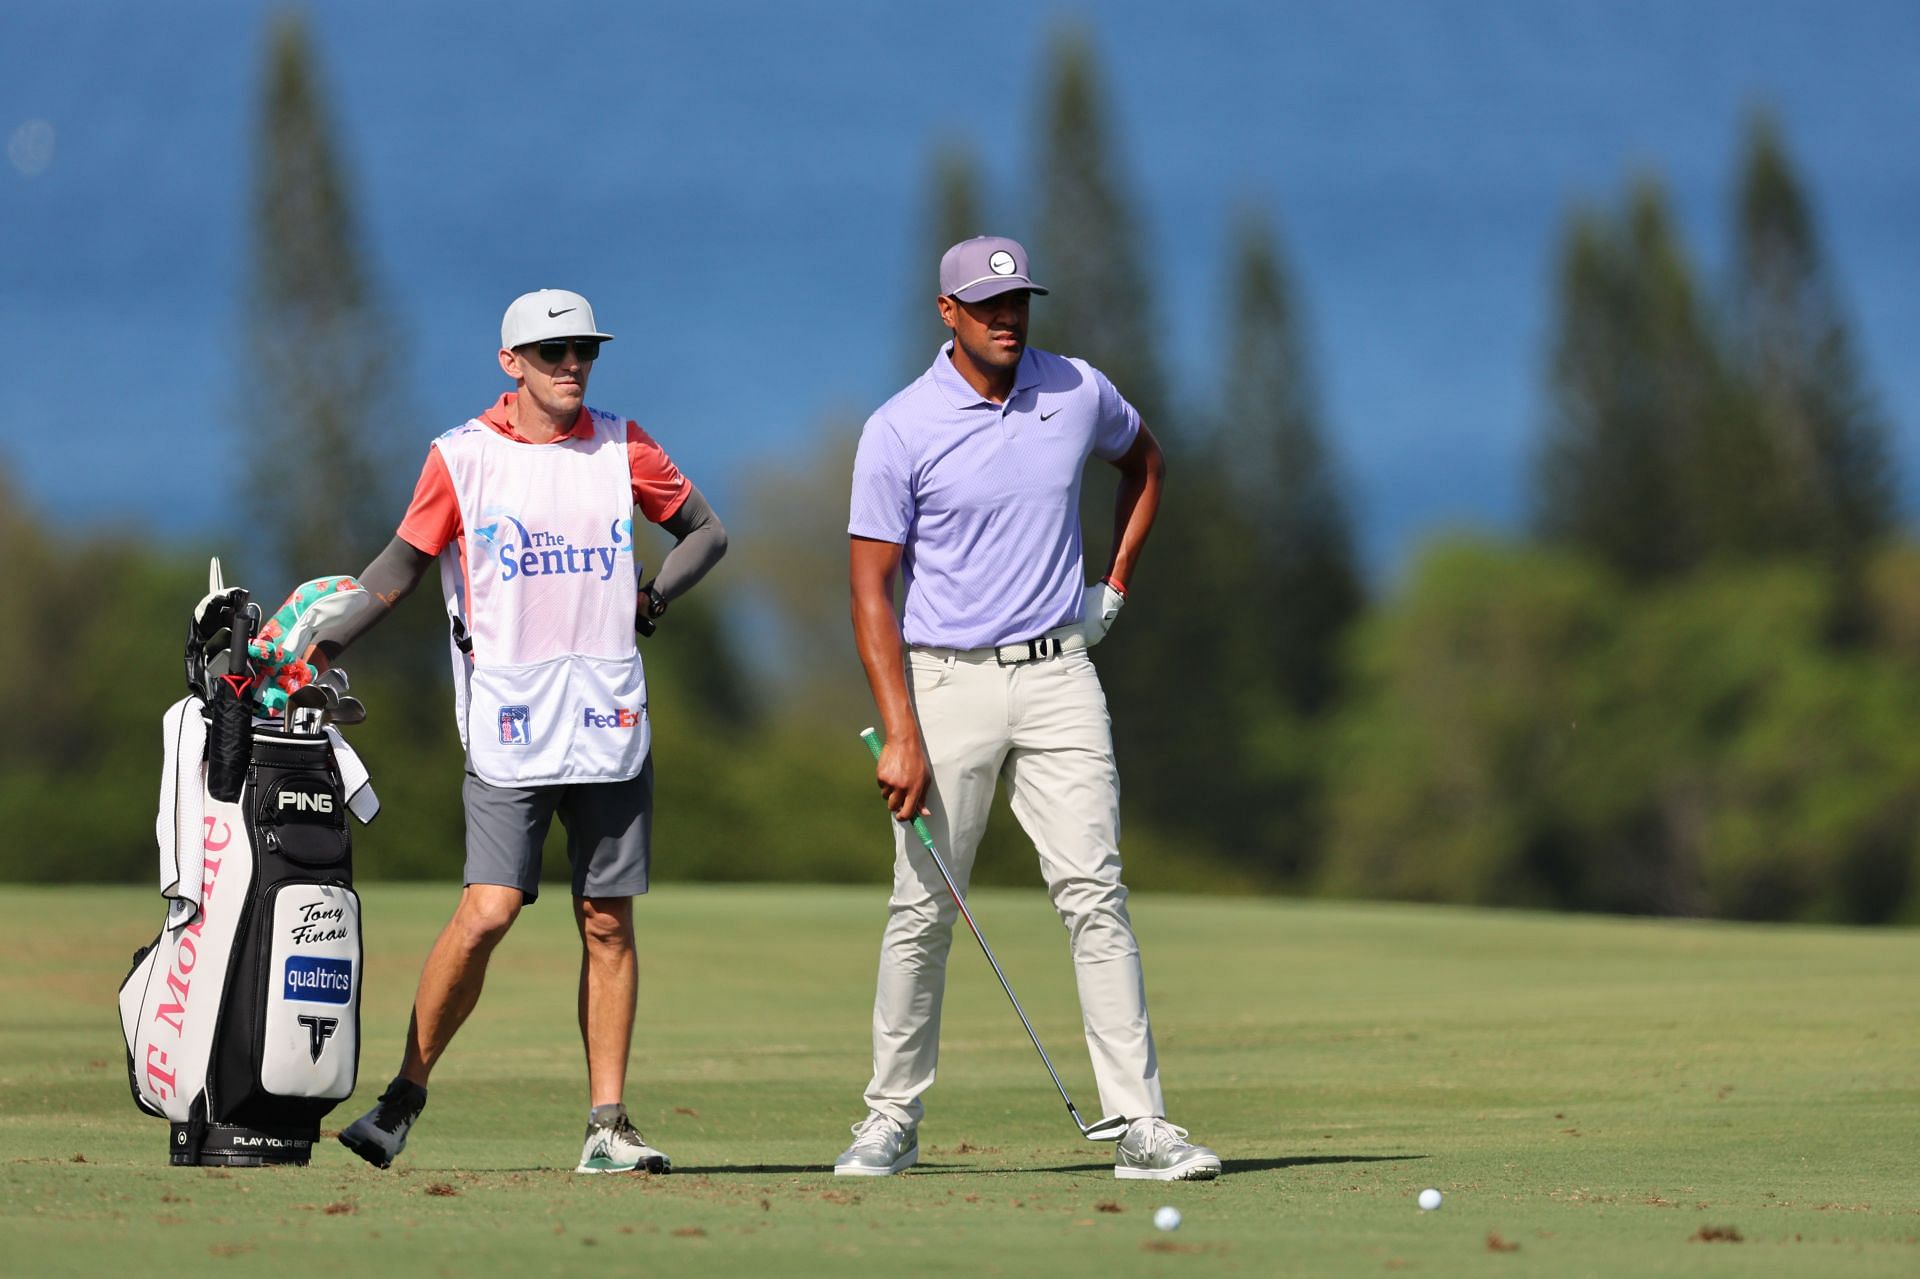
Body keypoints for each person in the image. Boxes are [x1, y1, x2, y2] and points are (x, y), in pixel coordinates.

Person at [839, 237, 1221, 1181]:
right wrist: (899, 729)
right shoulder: (900, 428)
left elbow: (1147, 463)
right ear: (948, 313)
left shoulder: (1077, 391)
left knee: (1095, 892)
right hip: (945, 682)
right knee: (923, 908)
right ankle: (890, 1118)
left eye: (1017, 302)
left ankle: (1141, 1123)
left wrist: (1116, 582)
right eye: (985, 304)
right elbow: (869, 592)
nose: (1007, 318)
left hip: (1059, 676)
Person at [322, 288, 727, 1173]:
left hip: (610, 718)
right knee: (488, 910)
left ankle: (608, 1126)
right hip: (509, 720)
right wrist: (316, 643)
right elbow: (397, 566)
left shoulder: (624, 443)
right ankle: (402, 1098)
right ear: (511, 364)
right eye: (553, 355)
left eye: (583, 351)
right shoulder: (460, 457)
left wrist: (654, 596)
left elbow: (704, 530)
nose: (572, 367)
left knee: (608, 923)